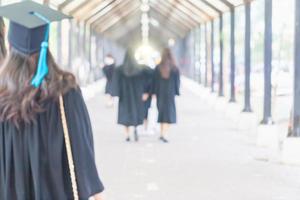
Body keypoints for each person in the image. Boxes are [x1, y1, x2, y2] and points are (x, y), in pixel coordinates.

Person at [0, 2, 104, 200]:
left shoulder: (2, 94)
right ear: (46, 44)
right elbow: (81, 151)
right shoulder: (65, 91)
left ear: (10, 45)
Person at [112, 48, 150, 142]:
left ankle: (127, 135)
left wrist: (115, 94)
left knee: (125, 114)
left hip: (124, 95)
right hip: (137, 95)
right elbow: (150, 76)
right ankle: (136, 129)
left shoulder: (119, 69)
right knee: (136, 112)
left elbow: (115, 82)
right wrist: (146, 91)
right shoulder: (141, 69)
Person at [153, 48, 180, 143]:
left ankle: (161, 133)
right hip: (170, 94)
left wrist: (154, 93)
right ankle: (164, 134)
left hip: (160, 93)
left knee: (161, 113)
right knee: (169, 115)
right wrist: (176, 92)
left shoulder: (158, 67)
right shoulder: (174, 68)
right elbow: (177, 82)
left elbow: (154, 82)